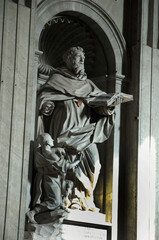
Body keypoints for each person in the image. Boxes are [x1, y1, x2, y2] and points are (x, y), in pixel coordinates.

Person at [37, 46, 117, 211]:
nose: (82, 61)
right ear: (68, 59)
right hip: (64, 128)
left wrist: (109, 107)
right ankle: (65, 200)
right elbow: (45, 97)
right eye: (78, 57)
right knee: (65, 165)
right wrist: (47, 106)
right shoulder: (57, 79)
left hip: (84, 131)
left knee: (95, 163)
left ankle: (83, 199)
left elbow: (99, 104)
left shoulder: (88, 84)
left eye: (83, 58)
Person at [27, 133, 80, 223]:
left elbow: (51, 152)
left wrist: (57, 149)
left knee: (66, 188)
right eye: (51, 139)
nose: (53, 140)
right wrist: (78, 160)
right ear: (47, 142)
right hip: (51, 180)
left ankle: (61, 204)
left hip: (55, 179)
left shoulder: (40, 151)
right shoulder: (51, 155)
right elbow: (67, 166)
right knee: (54, 201)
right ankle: (33, 212)